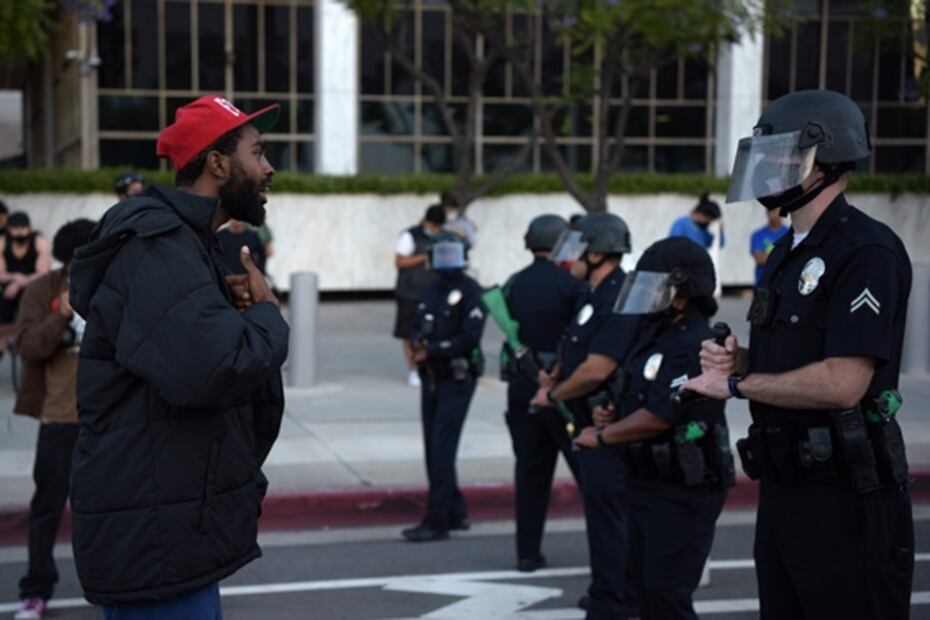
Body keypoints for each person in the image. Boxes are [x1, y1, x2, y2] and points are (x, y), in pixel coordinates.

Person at [685, 89, 914, 619]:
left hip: (847, 497)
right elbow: (795, 356)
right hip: (788, 490)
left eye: (779, 157)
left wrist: (737, 386)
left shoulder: (865, 251)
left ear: (823, 161)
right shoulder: (788, 252)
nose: (767, 170)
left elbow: (843, 383)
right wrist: (739, 360)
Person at [68, 95, 290, 617]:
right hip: (155, 544)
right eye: (257, 153)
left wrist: (237, 315)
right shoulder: (156, 246)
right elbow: (215, 368)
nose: (268, 167)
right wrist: (266, 314)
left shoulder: (189, 246)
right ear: (217, 163)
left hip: (173, 531)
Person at [575, 237, 734, 620]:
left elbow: (660, 416)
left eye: (654, 285)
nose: (646, 294)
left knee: (666, 598)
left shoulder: (697, 343)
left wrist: (600, 437)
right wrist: (610, 416)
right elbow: (637, 398)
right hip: (645, 482)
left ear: (681, 292)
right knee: (644, 593)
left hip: (683, 490)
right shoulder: (653, 336)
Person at [528, 212, 636, 619]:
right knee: (603, 517)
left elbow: (598, 368)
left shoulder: (617, 295)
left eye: (576, 249)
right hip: (585, 420)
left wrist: (552, 394)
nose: (568, 257)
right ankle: (607, 589)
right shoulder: (594, 293)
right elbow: (576, 350)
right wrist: (556, 370)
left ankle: (615, 601)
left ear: (595, 253)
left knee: (611, 520)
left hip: (605, 421)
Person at [13, 219, 96, 620]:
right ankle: (35, 589)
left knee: (105, 511)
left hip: (108, 420)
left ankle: (111, 588)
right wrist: (61, 314)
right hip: (59, 419)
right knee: (47, 509)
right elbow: (27, 345)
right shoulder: (41, 290)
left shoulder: (112, 284)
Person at [502, 214, 586, 572]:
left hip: (522, 386)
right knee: (589, 474)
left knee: (530, 472)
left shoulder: (513, 283)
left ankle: (527, 553)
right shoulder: (570, 285)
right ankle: (612, 561)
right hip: (562, 390)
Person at [402, 231, 486, 543]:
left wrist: (433, 350)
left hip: (458, 378)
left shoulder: (471, 291)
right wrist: (416, 343)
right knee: (434, 448)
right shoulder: (431, 289)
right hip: (432, 377)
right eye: (442, 253)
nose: (447, 259)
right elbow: (416, 323)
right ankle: (455, 510)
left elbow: (469, 337)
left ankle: (436, 522)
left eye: (453, 253)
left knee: (441, 449)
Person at [395, 204, 447, 387]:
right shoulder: (410, 236)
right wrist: (424, 257)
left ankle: (431, 366)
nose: (435, 230)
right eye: (433, 226)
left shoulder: (445, 237)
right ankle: (413, 370)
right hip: (409, 292)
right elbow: (400, 261)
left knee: (434, 331)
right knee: (410, 334)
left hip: (435, 291)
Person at [0, 212, 52, 325]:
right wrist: (14, 277)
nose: (19, 232)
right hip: (8, 288)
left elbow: (43, 274)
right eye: (15, 228)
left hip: (33, 287)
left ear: (29, 228)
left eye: (23, 228)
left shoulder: (39, 242)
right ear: (9, 229)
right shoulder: (3, 243)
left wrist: (19, 283)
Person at [749, 209, 788, 287]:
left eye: (777, 211)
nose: (774, 215)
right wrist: (783, 255)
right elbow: (759, 259)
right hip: (763, 284)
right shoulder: (758, 234)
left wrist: (768, 255)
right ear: (767, 213)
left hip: (784, 284)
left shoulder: (789, 233)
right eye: (771, 211)